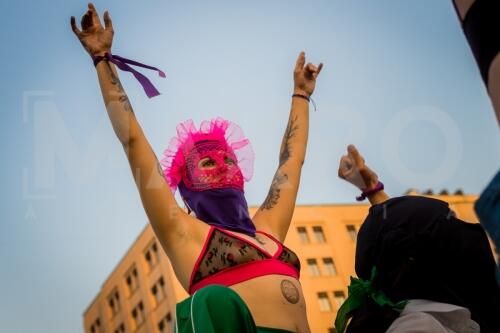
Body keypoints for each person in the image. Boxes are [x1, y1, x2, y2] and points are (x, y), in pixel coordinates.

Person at [70, 4, 323, 333]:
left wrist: (300, 96)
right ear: (186, 183)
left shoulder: (269, 229)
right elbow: (133, 143)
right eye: (207, 162)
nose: (222, 165)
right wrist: (102, 61)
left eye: (229, 159)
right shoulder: (183, 233)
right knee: (212, 301)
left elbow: (292, 162)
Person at [334, 145, 500, 333]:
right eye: (450, 219)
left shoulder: (448, 317)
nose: (465, 229)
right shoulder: (419, 328)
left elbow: (403, 238)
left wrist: (372, 189)